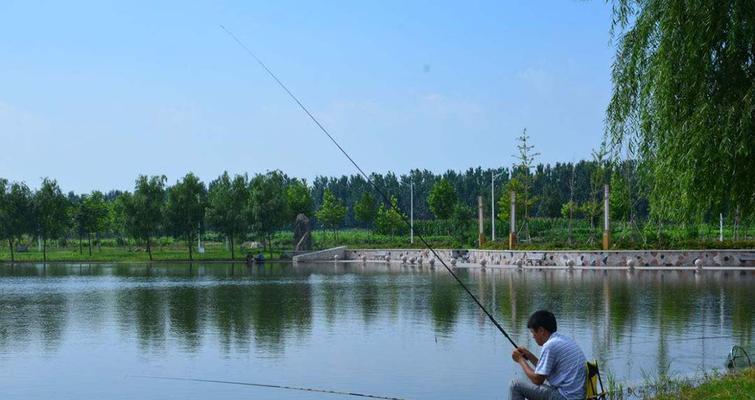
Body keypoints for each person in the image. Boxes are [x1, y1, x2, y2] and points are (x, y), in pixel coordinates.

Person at [510, 310, 587, 400]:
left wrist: (520, 360)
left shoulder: (550, 346)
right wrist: (529, 355)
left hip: (565, 397)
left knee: (515, 385)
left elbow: (538, 380)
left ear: (541, 330)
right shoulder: (561, 340)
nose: (533, 336)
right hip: (576, 395)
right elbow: (544, 370)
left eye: (533, 332)